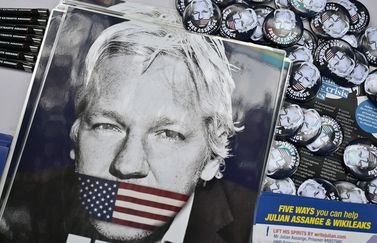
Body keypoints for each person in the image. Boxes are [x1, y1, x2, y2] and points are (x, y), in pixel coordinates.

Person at [2, 20, 260, 243]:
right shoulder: (15, 206)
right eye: (107, 126)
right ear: (76, 136)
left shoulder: (254, 227)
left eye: (168, 134)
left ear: (212, 159)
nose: (127, 165)